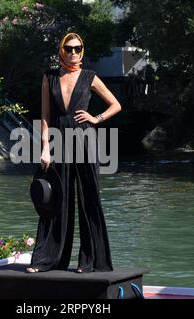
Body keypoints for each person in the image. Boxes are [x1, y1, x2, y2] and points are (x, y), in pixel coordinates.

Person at [26, 32, 122, 273]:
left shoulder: (90, 77)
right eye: (68, 48)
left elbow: (116, 105)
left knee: (89, 199)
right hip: (58, 140)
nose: (73, 53)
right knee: (55, 200)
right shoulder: (49, 77)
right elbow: (46, 115)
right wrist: (45, 148)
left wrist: (96, 118)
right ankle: (47, 260)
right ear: (61, 50)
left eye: (77, 48)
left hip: (85, 140)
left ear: (82, 51)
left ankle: (89, 262)